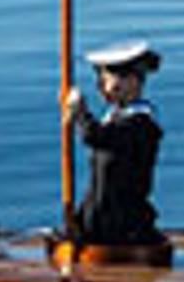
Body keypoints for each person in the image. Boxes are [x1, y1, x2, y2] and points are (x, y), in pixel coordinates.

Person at [65, 42, 166, 254]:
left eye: (108, 81)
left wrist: (80, 111)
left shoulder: (140, 124)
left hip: (123, 227)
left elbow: (95, 137)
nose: (101, 88)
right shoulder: (115, 117)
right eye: (99, 82)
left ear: (133, 81)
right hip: (100, 220)